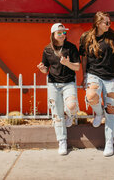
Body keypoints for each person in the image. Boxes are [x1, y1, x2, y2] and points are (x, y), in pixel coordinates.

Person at [79, 11, 114, 157]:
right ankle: (99, 113)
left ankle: (109, 142)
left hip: (112, 77)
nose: (109, 25)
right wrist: (84, 76)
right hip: (94, 74)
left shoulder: (113, 36)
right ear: (98, 23)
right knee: (91, 95)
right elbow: (84, 59)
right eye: (106, 22)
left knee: (111, 109)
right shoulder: (86, 37)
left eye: (109, 22)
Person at [37, 23, 80, 155]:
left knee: (72, 106)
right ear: (53, 35)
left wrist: (67, 63)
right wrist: (43, 69)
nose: (62, 35)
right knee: (57, 114)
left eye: (64, 33)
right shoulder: (47, 49)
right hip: (53, 84)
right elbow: (45, 68)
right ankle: (62, 141)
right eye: (59, 33)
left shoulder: (71, 48)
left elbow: (77, 67)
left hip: (68, 83)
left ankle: (70, 115)